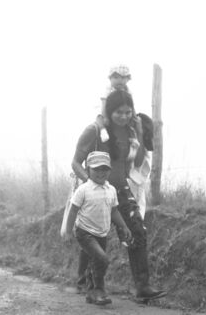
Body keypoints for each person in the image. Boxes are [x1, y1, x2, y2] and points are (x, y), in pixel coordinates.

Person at [71, 89, 166, 301]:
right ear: (110, 111)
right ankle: (95, 289)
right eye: (118, 112)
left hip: (121, 190)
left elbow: (138, 161)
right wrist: (91, 185)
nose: (123, 116)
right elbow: (76, 162)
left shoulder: (131, 132)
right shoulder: (94, 131)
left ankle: (142, 286)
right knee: (96, 238)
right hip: (96, 192)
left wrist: (140, 133)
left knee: (137, 230)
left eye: (127, 112)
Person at [64, 151, 132, 305]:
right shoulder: (83, 190)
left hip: (102, 233)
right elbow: (73, 210)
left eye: (104, 169)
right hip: (84, 232)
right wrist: (68, 232)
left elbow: (114, 211)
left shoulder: (111, 190)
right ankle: (99, 289)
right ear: (88, 170)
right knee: (102, 259)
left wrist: (124, 226)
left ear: (109, 170)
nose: (101, 173)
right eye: (96, 169)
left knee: (95, 261)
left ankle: (91, 293)